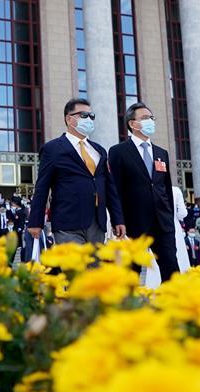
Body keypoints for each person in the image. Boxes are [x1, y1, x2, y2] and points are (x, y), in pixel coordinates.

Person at [28, 98, 125, 245]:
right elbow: (42, 186)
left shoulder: (99, 150)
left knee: (96, 261)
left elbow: (109, 187)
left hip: (97, 223)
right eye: (83, 115)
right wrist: (36, 221)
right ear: (69, 119)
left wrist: (118, 219)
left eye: (91, 116)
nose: (89, 119)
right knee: (74, 261)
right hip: (68, 222)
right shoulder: (52, 149)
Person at [109, 103, 178, 282]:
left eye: (151, 118)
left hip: (162, 223)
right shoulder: (118, 152)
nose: (150, 122)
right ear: (132, 124)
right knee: (131, 274)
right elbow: (115, 190)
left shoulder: (161, 153)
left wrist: (169, 217)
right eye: (145, 118)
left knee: (171, 270)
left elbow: (166, 188)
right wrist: (118, 220)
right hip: (133, 223)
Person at [172, 186, 190, 273]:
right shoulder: (175, 190)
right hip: (174, 226)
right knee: (179, 257)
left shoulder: (151, 189)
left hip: (157, 227)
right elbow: (182, 213)